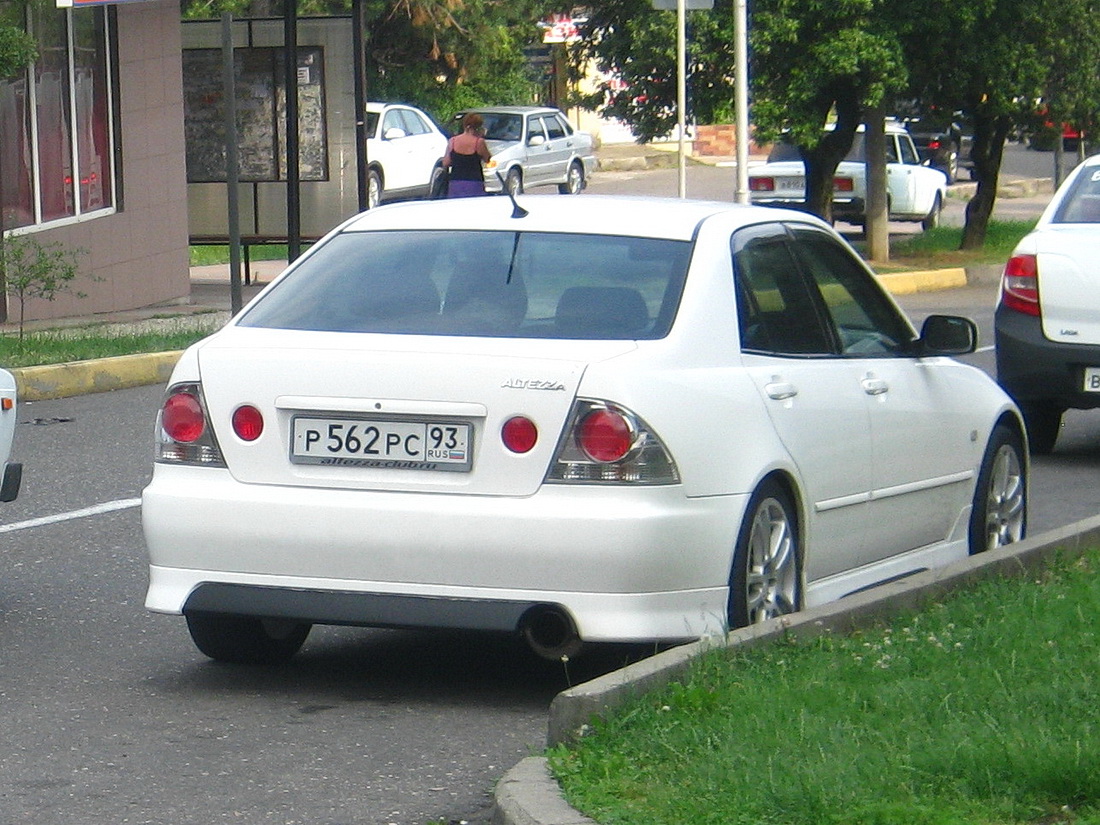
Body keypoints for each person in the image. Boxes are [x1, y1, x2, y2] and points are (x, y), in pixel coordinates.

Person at [443, 113, 491, 198]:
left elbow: (446, 163)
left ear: (464, 125)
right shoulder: (479, 142)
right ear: (479, 126)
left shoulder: (452, 141)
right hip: (474, 181)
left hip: (455, 181)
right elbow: (487, 159)